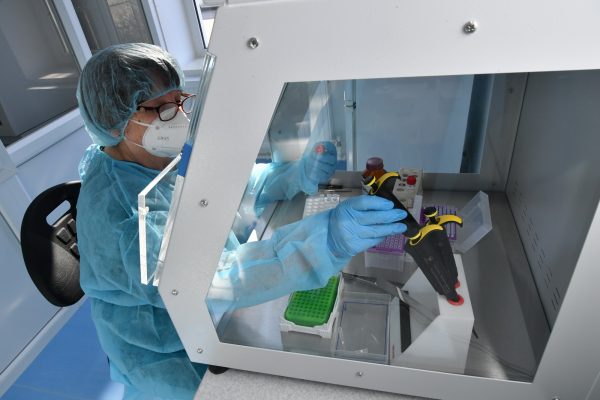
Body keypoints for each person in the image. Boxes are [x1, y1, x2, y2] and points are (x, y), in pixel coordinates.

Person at [76, 43, 407, 400]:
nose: (179, 117)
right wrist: (324, 241)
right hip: (167, 356)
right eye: (162, 108)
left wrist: (297, 174)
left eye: (181, 101)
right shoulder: (114, 209)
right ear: (116, 118)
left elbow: (233, 185)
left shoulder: (159, 155)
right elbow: (204, 281)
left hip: (211, 324)